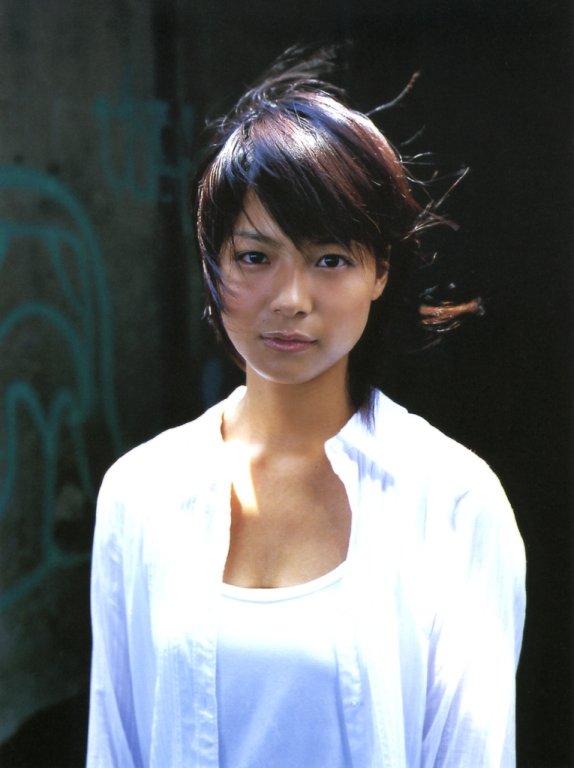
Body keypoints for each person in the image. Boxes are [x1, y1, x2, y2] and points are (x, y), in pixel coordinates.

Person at [86, 48, 526, 767]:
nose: (291, 299)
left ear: (380, 271)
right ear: (213, 264)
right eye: (255, 257)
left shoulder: (452, 501)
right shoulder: (140, 493)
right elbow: (115, 744)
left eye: (330, 259)